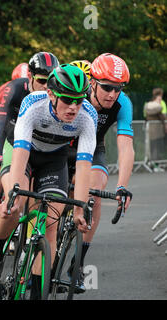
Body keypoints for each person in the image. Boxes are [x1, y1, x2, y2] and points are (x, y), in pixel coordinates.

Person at [0, 64, 96, 298]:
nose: (74, 107)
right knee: (14, 203)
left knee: (51, 223)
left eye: (79, 101)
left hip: (54, 159)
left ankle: (37, 292)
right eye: (67, 100)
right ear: (52, 94)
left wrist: (80, 207)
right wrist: (13, 192)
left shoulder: (87, 116)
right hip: (23, 150)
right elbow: (21, 152)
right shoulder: (34, 104)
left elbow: (83, 166)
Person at [0, 53, 59, 264]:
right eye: (42, 81)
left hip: (37, 149)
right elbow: (0, 120)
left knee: (38, 196)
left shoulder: (57, 95)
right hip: (9, 138)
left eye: (50, 81)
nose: (46, 86)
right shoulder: (15, 88)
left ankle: (27, 242)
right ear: (30, 77)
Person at [66, 53, 134, 291]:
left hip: (93, 148)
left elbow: (126, 146)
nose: (112, 94)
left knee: (93, 194)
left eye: (118, 89)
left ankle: (77, 264)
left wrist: (122, 186)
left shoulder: (122, 103)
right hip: (61, 148)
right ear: (92, 81)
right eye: (106, 87)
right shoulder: (76, 92)